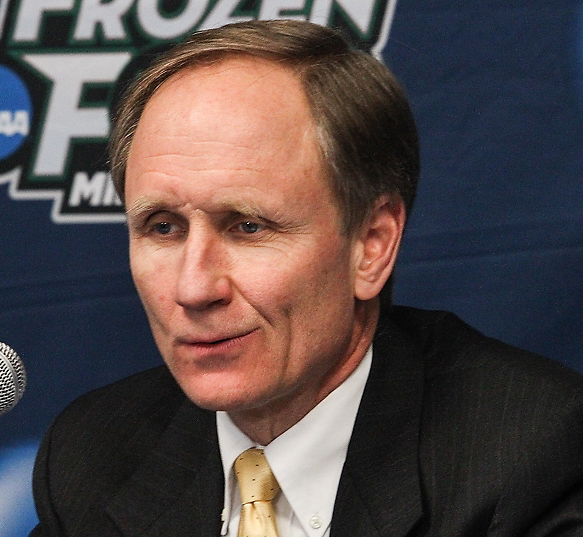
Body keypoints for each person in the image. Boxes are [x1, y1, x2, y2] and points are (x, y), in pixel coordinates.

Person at [29, 19, 583, 537]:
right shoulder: (91, 457)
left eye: (247, 226)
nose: (193, 288)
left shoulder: (532, 453)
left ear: (372, 245)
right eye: (163, 227)